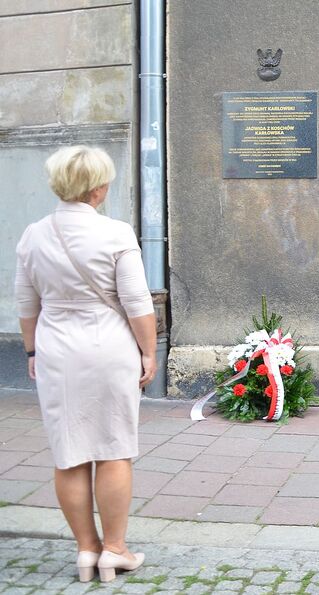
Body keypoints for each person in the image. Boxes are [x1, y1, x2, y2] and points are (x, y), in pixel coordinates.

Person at [15, 146, 158, 583]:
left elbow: (26, 304)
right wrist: (149, 352)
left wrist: (32, 352)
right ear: (98, 188)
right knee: (114, 448)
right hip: (109, 348)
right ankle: (115, 550)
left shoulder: (32, 235)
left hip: (56, 349)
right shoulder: (115, 233)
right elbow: (137, 303)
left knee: (69, 453)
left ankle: (85, 550)